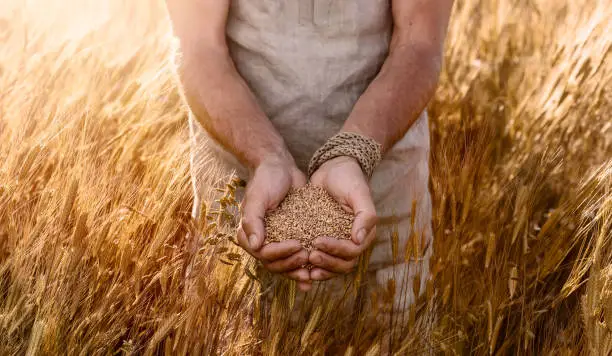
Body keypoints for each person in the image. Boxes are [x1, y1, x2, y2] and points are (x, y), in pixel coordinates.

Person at [166, 0, 453, 321]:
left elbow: (420, 44)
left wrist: (354, 152)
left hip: (384, 213)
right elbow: (199, 49)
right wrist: (265, 156)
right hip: (239, 215)